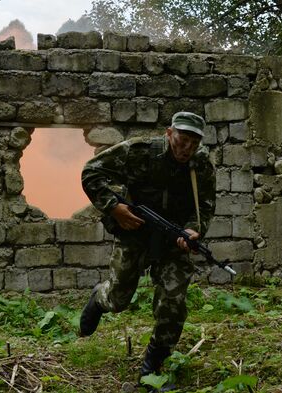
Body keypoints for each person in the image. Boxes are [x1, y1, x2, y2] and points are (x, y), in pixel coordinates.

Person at [79, 111, 216, 380]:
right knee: (118, 299)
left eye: (194, 142)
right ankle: (99, 297)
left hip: (172, 239)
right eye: (182, 139)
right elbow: (90, 172)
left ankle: (152, 368)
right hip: (135, 232)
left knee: (173, 302)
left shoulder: (200, 164)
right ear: (169, 133)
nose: (186, 147)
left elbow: (207, 204)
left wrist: (194, 229)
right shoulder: (138, 151)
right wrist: (114, 207)